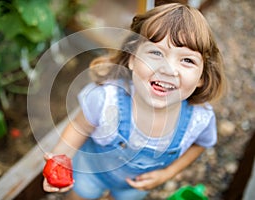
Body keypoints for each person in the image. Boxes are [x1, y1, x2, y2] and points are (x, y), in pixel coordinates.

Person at [43, 3, 226, 200]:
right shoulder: (106, 99)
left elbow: (201, 144)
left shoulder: (199, 120)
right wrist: (59, 160)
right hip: (91, 171)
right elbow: (79, 127)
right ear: (132, 58)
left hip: (133, 187)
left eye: (187, 60)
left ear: (202, 77)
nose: (168, 70)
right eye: (156, 53)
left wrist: (167, 174)